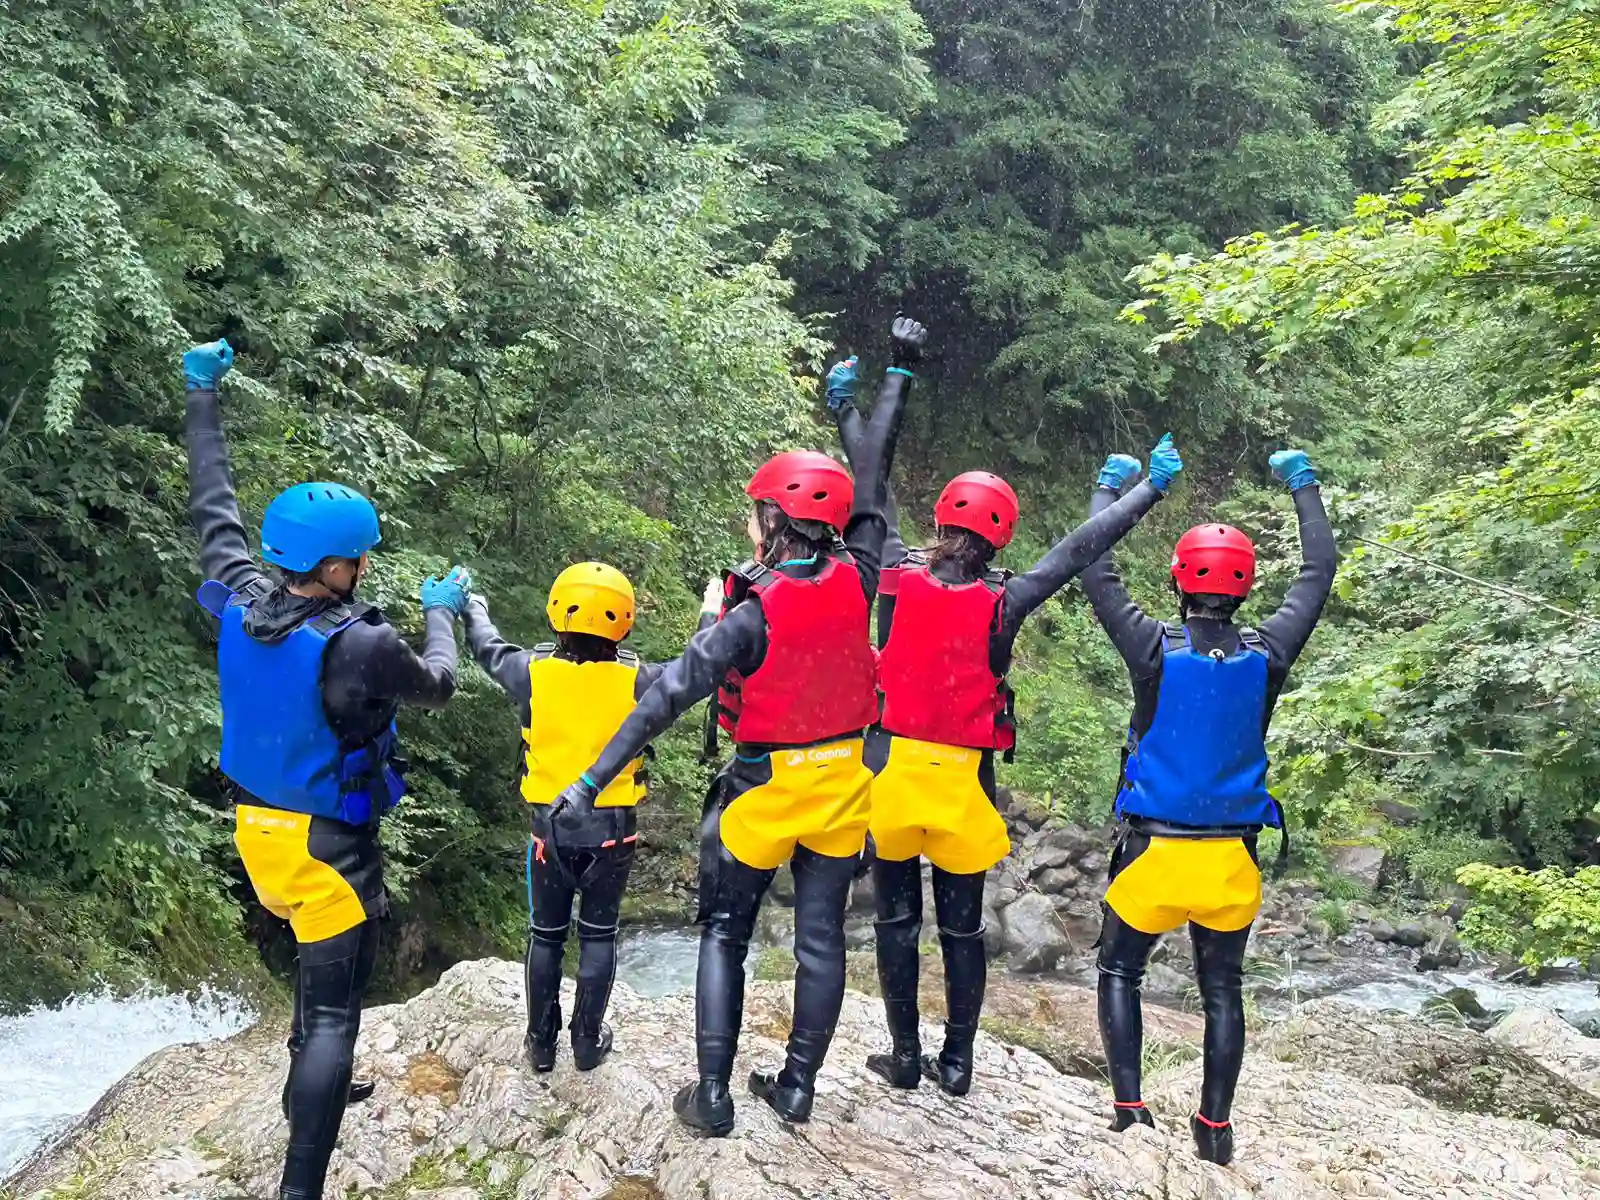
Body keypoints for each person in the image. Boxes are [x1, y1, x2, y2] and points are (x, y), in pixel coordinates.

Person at [548, 315, 927, 1136]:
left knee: (726, 933)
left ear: (773, 523)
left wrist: (585, 781)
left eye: (757, 514)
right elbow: (874, 473)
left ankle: (713, 1097)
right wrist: (900, 373)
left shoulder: (748, 616)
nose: (750, 525)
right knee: (820, 942)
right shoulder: (861, 573)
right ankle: (796, 1088)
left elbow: (661, 700)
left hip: (765, 790)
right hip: (842, 787)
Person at [826, 365, 1183, 1097]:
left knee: (896, 924)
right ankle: (956, 1062)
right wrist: (1148, 490)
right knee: (962, 931)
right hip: (963, 788)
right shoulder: (1005, 599)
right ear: (999, 536)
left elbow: (871, 489)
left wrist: (848, 409)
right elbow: (1079, 550)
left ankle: (903, 1056)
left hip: (890, 779)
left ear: (943, 523)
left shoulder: (893, 569)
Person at [184, 339, 468, 1200]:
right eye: (360, 557)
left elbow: (213, 504)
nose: (365, 567)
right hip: (331, 850)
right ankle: (299, 1186)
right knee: (337, 1012)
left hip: (255, 834)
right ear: (337, 566)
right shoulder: (363, 641)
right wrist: (439, 613)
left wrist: (203, 396)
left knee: (316, 991)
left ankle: (312, 1086)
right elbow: (443, 687)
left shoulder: (238, 591)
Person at [1083, 447, 1335, 1165]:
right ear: (1248, 587)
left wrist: (1116, 490)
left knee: (1119, 971)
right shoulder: (1271, 652)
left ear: (1177, 580)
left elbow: (1095, 564)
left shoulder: (1152, 650)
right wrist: (1303, 486)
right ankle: (1215, 1130)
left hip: (1154, 857)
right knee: (1223, 990)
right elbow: (1318, 571)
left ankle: (1131, 1111)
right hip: (1230, 862)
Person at [462, 562, 675, 1074]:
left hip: (548, 832)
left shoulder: (531, 673)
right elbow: (699, 662)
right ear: (623, 624)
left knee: (547, 936)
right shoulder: (641, 680)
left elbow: (487, 647)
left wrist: (472, 603)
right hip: (612, 835)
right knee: (599, 936)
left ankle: (540, 1045)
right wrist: (715, 608)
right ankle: (585, 1043)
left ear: (557, 613)